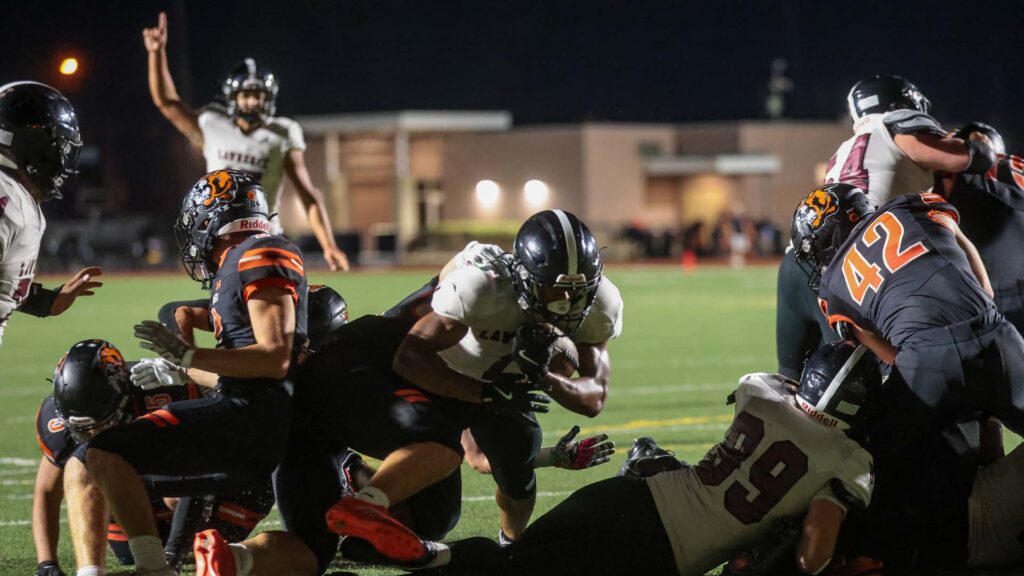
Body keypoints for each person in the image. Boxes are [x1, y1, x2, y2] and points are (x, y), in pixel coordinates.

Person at [413, 340, 877, 576]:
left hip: (631, 494)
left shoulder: (762, 388)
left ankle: (429, 558)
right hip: (657, 553)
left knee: (513, 558)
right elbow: (812, 555)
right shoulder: (849, 460)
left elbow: (779, 397)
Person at [328, 209, 622, 557]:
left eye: (578, 292)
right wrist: (485, 394)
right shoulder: (483, 286)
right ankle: (354, 473)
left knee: (516, 468)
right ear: (525, 278)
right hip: (442, 368)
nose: (567, 305)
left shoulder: (601, 301)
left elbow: (594, 397)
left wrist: (545, 377)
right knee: (435, 507)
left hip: (499, 380)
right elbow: (410, 357)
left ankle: (511, 546)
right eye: (554, 291)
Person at [70, 169, 307, 576]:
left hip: (248, 417)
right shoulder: (241, 260)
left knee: (102, 453)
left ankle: (153, 567)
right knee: (92, 462)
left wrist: (186, 356)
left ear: (211, 218)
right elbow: (183, 315)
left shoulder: (258, 253)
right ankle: (159, 563)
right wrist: (180, 364)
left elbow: (273, 358)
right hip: (244, 413)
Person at [775, 74, 997, 380]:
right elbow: (962, 159)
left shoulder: (842, 151)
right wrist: (981, 145)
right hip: (860, 274)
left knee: (795, 385)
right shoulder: (896, 125)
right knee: (878, 390)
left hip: (800, 266)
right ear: (902, 104)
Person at [141, 12, 349, 271]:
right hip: (220, 237)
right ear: (232, 97)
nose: (251, 102)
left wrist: (329, 245)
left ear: (268, 97)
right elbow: (167, 102)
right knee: (225, 309)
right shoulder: (213, 125)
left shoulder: (282, 133)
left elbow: (308, 196)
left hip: (264, 232)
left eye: (257, 95)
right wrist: (156, 53)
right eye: (245, 95)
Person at [0, 81, 102, 347]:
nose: (62, 160)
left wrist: (45, 302)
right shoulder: (11, 201)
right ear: (33, 143)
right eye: (60, 147)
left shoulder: (14, 197)